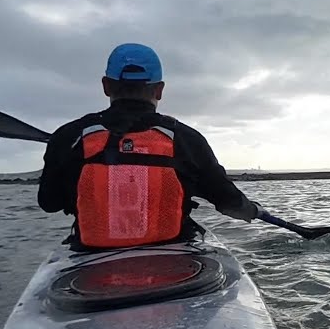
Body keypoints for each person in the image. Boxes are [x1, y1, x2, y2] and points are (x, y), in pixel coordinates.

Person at [37, 43, 264, 249]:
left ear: (106, 86)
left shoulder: (68, 136)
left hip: (90, 258)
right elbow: (228, 201)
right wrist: (252, 210)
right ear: (159, 90)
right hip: (172, 256)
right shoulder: (187, 139)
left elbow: (49, 202)